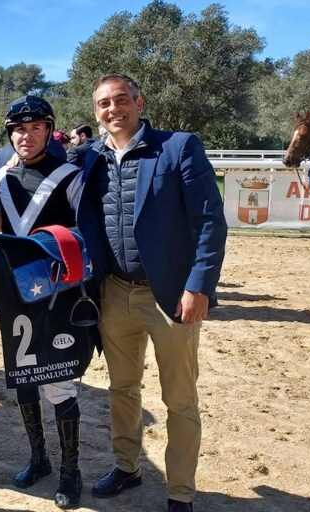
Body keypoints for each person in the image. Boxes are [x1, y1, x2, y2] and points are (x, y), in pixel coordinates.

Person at [76, 74, 227, 512]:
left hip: (170, 297)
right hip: (112, 293)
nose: (112, 109)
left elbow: (210, 223)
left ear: (139, 103)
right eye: (103, 103)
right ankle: (128, 467)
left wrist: (199, 286)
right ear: (96, 112)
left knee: (179, 399)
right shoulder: (90, 158)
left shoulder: (178, 147)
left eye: (121, 100)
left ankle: (180, 491)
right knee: (122, 389)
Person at [0, 95, 94, 509]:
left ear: (49, 130)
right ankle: (39, 459)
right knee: (23, 374)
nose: (24, 136)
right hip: (16, 292)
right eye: (17, 129)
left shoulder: (70, 174)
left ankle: (71, 471)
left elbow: (86, 231)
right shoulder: (4, 174)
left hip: (59, 291)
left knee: (59, 381)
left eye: (33, 128)